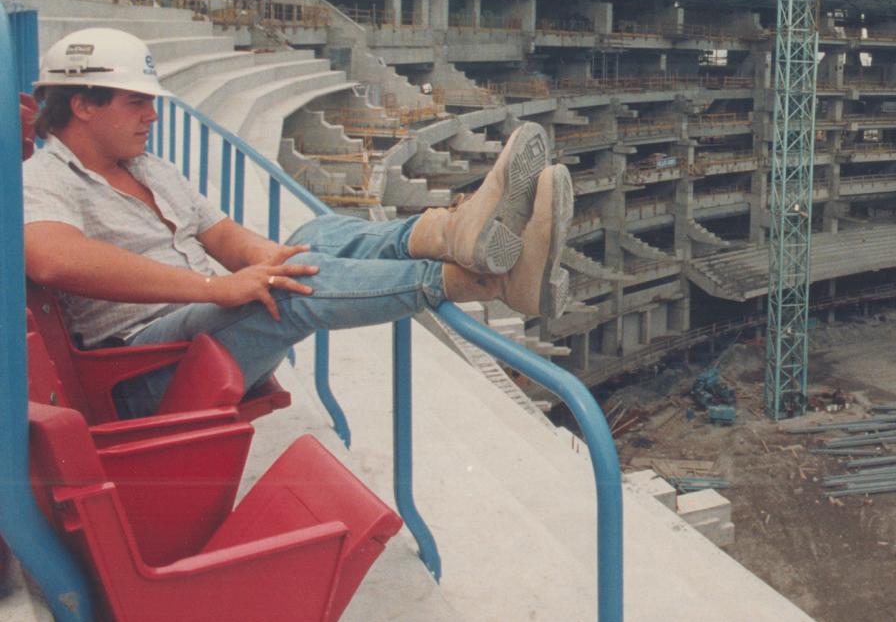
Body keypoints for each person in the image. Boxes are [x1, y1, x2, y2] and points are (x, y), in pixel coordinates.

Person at [22, 27, 575, 419]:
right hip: (144, 369)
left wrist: (268, 260)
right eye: (136, 102)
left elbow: (224, 237)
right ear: (82, 105)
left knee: (310, 240)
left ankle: (456, 234)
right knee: (286, 291)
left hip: (197, 333)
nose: (154, 115)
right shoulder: (44, 178)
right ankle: (488, 281)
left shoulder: (148, 167)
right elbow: (54, 256)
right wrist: (217, 287)